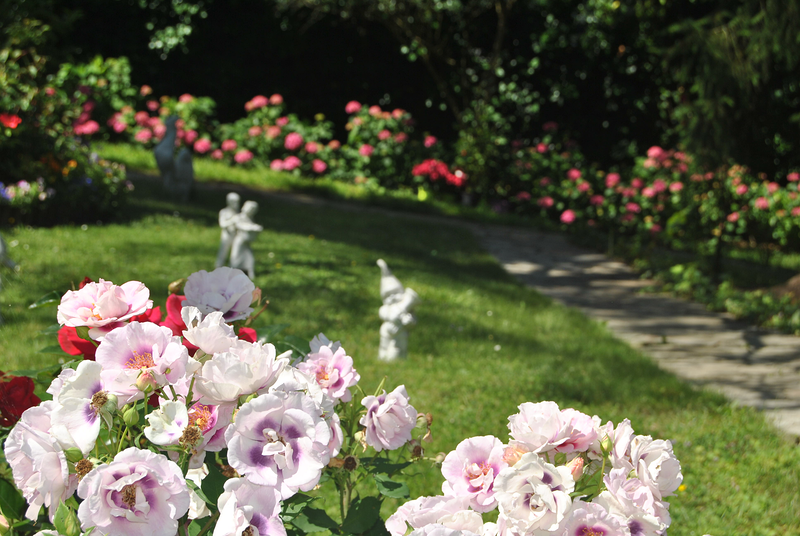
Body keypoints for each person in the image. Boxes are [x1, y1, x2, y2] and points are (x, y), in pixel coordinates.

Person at [230, 200, 263, 279]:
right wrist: (252, 227)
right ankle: (231, 273)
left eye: (253, 210)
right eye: (250, 209)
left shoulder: (250, 219)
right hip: (240, 241)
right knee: (235, 257)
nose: (251, 211)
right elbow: (240, 225)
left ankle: (250, 273)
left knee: (249, 258)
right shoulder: (239, 217)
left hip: (247, 242)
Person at [215, 192, 241, 268]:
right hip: (227, 235)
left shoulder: (238, 212)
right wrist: (232, 221)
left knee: (235, 253)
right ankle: (218, 266)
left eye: (237, 201)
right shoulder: (224, 212)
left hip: (236, 235)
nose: (236, 203)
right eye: (234, 201)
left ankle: (233, 268)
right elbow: (222, 224)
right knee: (223, 252)